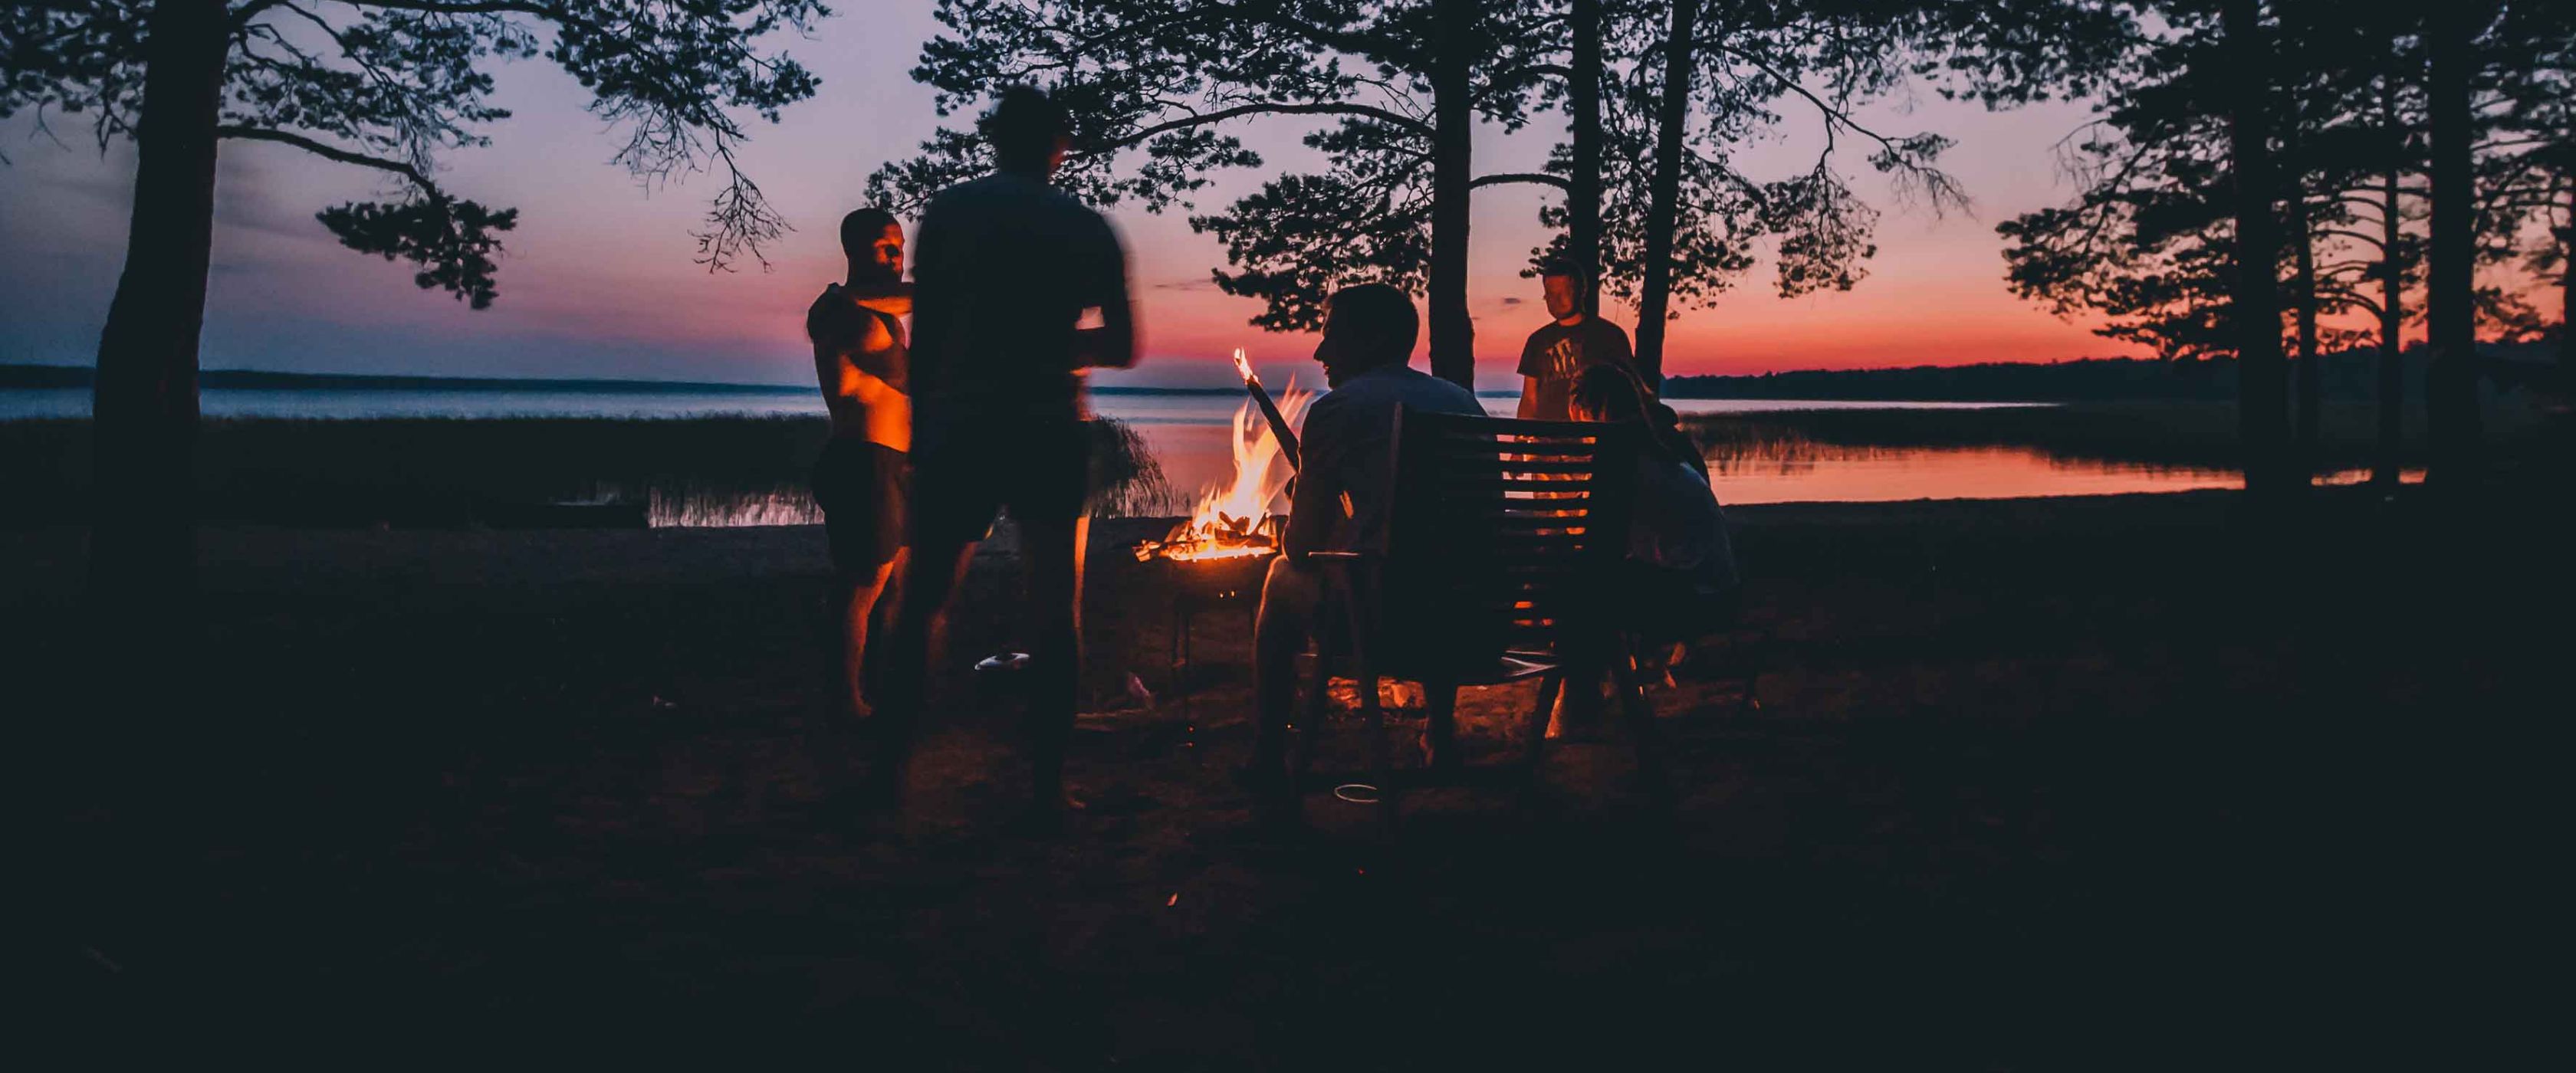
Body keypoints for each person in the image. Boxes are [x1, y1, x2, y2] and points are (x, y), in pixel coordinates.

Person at [865, 86, 1138, 832]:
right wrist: (1050, 349)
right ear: (1061, 145)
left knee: (921, 601)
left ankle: (887, 775)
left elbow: (933, 340)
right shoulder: (1085, 225)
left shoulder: (951, 213)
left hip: (962, 424)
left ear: (994, 138)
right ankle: (1048, 790)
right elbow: (1120, 344)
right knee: (1056, 610)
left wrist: (924, 431)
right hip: (1050, 424)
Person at [1247, 284, 1484, 819]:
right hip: (1474, 623)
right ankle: (1440, 737)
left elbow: (1302, 547)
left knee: (1280, 577)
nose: (1320, 353)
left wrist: (1318, 500)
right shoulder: (1461, 401)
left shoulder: (1339, 410)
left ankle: (1266, 755)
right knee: (1437, 566)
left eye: (1331, 335)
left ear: (1373, 339)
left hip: (1389, 625)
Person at [806, 208, 913, 731]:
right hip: (863, 462)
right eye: (881, 247)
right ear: (852, 252)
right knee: (862, 584)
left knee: (899, 587)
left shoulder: (888, 316)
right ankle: (844, 699)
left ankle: (886, 687)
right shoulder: (838, 312)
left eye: (898, 245)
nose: (895, 256)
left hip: (898, 465)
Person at [1566, 363, 1740, 645]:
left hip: (1695, 598)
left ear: (1583, 410)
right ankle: (1598, 679)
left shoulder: (1620, 463)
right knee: (1590, 583)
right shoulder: (1657, 450)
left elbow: (1596, 544)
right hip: (1718, 590)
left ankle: (1582, 685)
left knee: (1582, 588)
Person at [1516, 263, 1635, 422]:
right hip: (1547, 439)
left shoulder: (1610, 336)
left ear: (1581, 291)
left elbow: (1627, 392)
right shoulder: (1538, 341)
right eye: (1550, 294)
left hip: (1595, 440)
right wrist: (1523, 437)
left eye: (1563, 293)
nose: (1556, 300)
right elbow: (1530, 398)